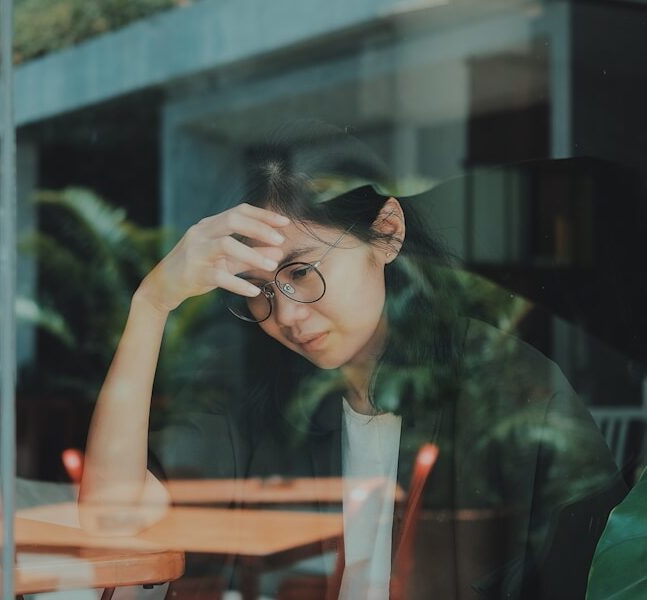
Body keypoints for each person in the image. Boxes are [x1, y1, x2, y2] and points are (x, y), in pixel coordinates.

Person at [79, 124, 627, 599]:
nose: (286, 315)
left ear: (386, 233)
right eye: (259, 290)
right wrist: (151, 303)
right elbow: (112, 519)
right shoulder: (259, 399)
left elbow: (595, 578)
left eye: (300, 272)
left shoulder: (512, 389)